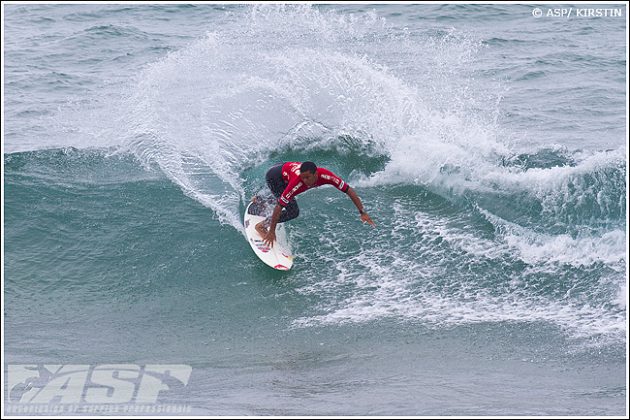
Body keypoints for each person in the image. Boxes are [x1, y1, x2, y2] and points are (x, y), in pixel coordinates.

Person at [254, 161, 375, 247]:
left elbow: (348, 190)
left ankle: (259, 199)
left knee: (285, 197)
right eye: (303, 178)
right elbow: (280, 206)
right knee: (293, 211)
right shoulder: (297, 183)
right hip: (274, 177)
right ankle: (262, 226)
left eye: (307, 177)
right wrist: (272, 231)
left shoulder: (327, 176)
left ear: (316, 174)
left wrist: (362, 212)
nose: (305, 181)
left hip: (283, 168)